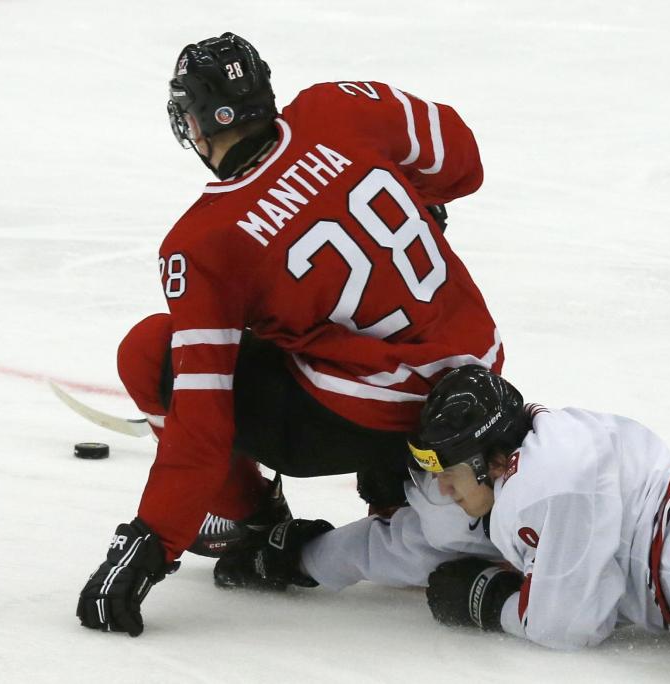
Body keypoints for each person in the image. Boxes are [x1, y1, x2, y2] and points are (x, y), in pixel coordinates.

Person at [75, 31, 504, 636]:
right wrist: (414, 198)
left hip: (365, 416)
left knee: (149, 350)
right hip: (475, 376)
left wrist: (150, 543)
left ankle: (253, 519)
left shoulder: (205, 242)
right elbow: (462, 159)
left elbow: (201, 421)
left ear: (196, 121)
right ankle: (398, 484)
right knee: (299, 323)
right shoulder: (339, 106)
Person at [228, 366, 670, 683]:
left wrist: (490, 604)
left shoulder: (544, 481)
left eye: (444, 467)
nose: (439, 485)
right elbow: (397, 549)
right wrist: (302, 558)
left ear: (489, 458)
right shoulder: (512, 473)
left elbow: (568, 626)